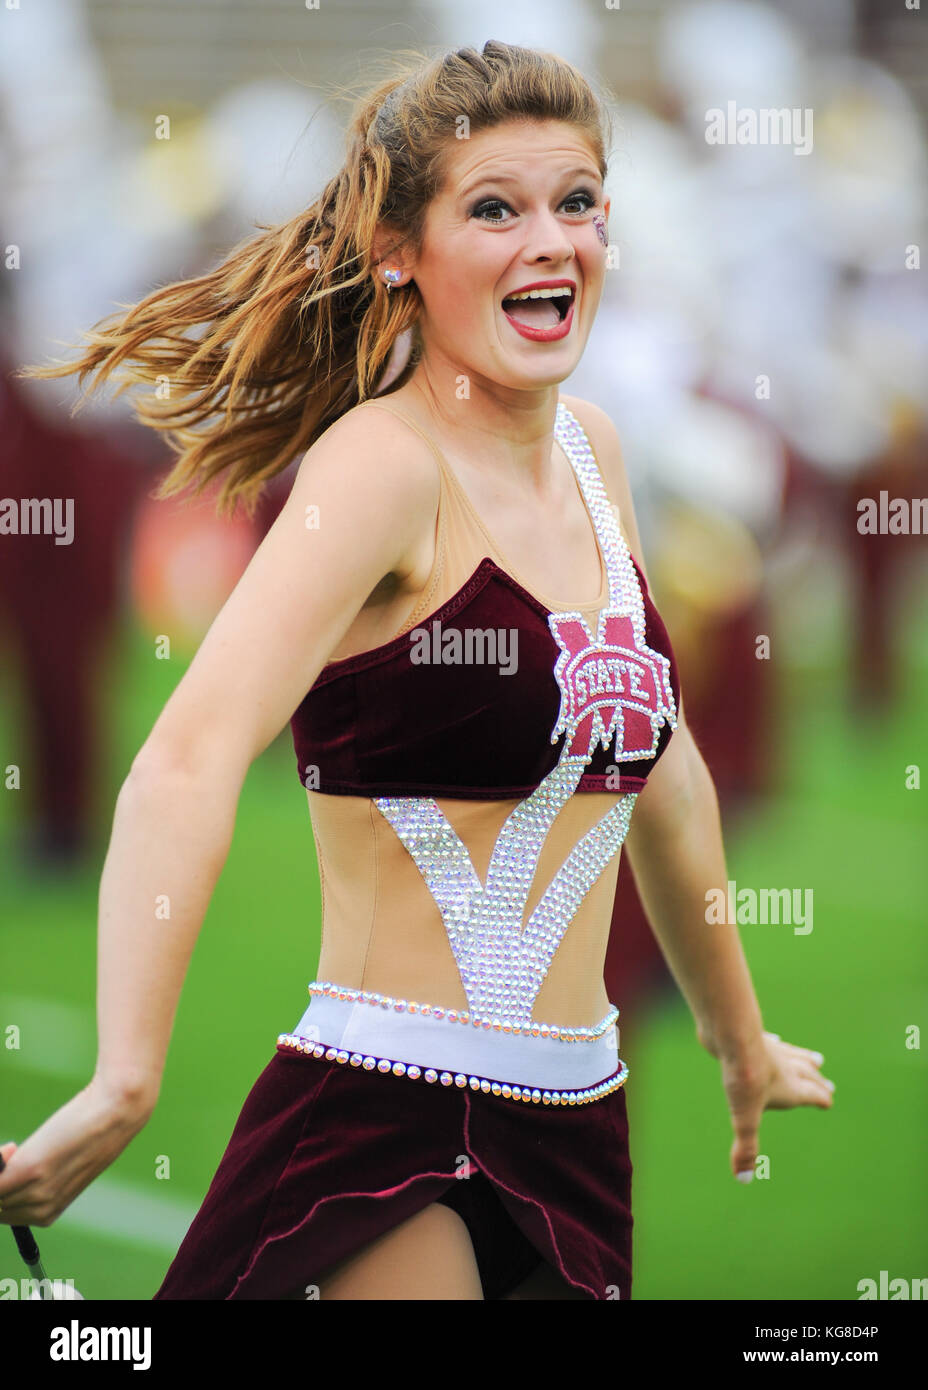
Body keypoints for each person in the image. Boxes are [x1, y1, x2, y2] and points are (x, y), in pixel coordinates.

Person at [0, 40, 834, 1301]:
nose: (549, 239)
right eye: (493, 208)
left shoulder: (598, 457)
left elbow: (661, 768)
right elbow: (188, 754)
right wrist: (127, 1074)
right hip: (394, 1129)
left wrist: (734, 1034)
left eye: (577, 201)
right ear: (400, 248)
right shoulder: (381, 469)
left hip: (578, 1128)